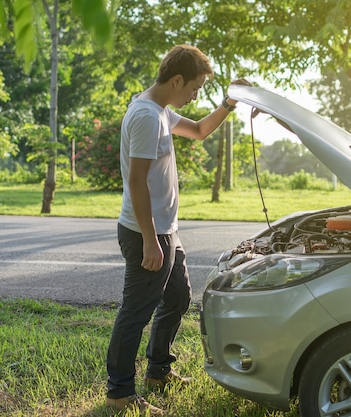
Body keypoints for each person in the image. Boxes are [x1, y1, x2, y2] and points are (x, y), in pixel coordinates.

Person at [105, 44, 249, 415]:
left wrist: (229, 104)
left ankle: (157, 371)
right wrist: (152, 241)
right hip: (146, 234)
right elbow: (136, 182)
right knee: (136, 312)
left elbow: (200, 131)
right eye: (196, 88)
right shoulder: (147, 117)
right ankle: (120, 392)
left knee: (178, 298)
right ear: (177, 79)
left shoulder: (161, 111)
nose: (195, 95)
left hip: (165, 231)